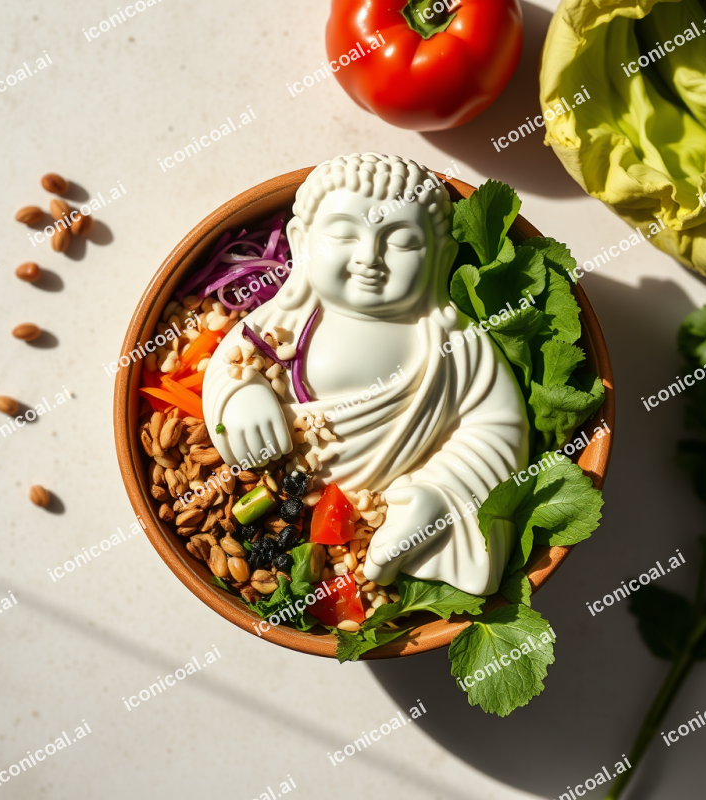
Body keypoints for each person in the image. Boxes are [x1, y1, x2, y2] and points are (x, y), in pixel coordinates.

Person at [203, 153, 528, 595]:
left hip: (388, 512)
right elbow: (234, 360)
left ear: (441, 258)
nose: (368, 258)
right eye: (342, 234)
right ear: (302, 242)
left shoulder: (453, 343)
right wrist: (240, 396)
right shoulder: (284, 320)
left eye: (401, 241)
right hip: (282, 502)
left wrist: (436, 499)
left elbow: (498, 428)